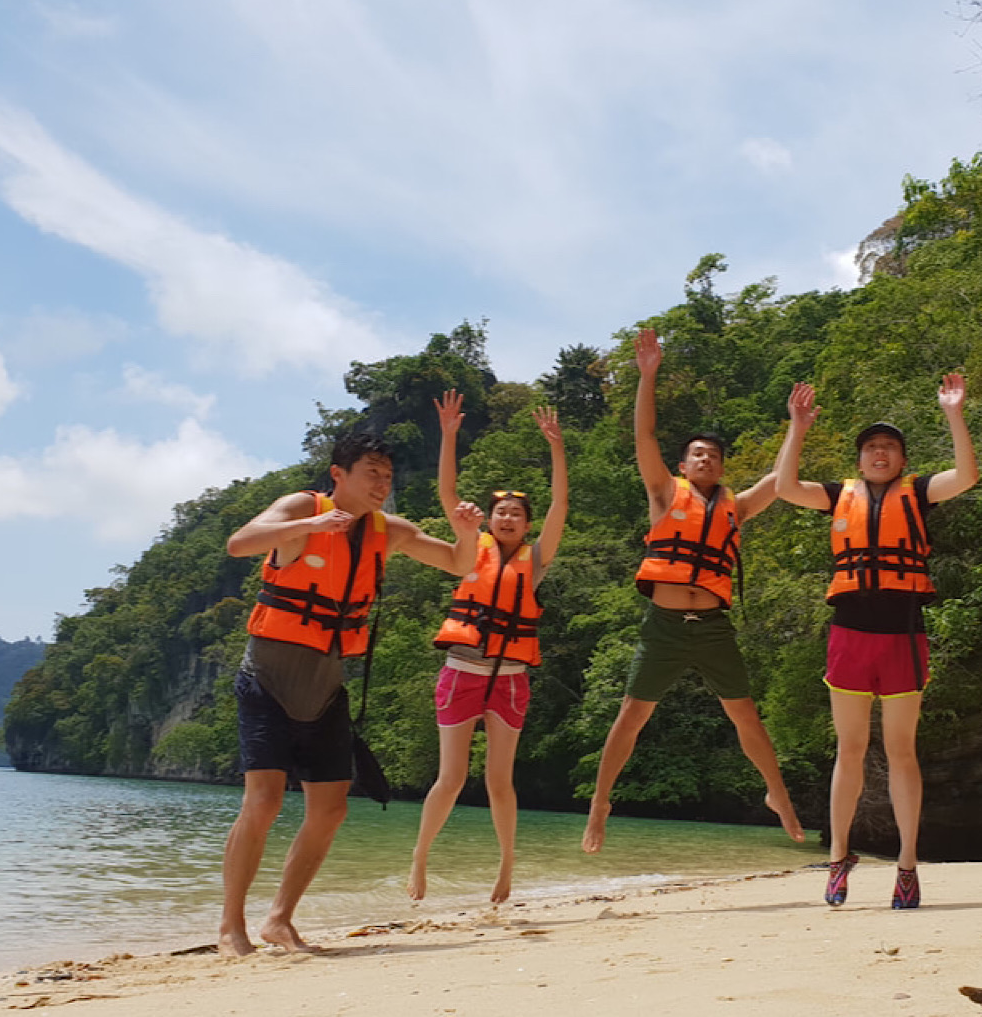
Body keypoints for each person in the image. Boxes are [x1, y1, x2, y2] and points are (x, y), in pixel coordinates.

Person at [219, 430, 483, 956]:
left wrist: (466, 533)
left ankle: (279, 920)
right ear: (338, 474)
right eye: (371, 473)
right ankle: (231, 927)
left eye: (387, 475)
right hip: (268, 678)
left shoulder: (390, 531)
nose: (382, 484)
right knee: (264, 802)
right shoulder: (302, 507)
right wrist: (310, 526)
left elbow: (459, 564)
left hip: (325, 687)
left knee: (331, 809)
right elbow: (239, 543)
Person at [580, 327, 805, 853]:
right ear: (683, 466)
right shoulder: (664, 492)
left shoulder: (736, 507)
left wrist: (797, 427)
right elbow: (644, 436)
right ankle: (600, 803)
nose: (706, 460)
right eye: (697, 455)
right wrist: (648, 376)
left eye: (713, 457)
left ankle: (778, 794)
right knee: (632, 714)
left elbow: (781, 479)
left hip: (711, 627)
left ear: (722, 468)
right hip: (663, 626)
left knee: (744, 713)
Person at [775, 375, 978, 907]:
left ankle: (907, 864)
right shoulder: (838, 495)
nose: (879, 452)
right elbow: (784, 487)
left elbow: (966, 475)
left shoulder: (919, 493)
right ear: (860, 460)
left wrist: (954, 414)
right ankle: (839, 856)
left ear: (902, 460)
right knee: (850, 749)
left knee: (901, 750)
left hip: (903, 634)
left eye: (888, 446)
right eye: (870, 447)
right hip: (850, 632)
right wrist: (797, 428)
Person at [407, 392, 567, 905]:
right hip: (462, 671)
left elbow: (560, 507)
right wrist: (449, 435)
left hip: (511, 680)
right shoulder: (469, 545)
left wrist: (556, 448)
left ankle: (506, 864)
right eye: (501, 512)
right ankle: (420, 857)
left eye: (516, 514)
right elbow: (447, 491)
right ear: (490, 519)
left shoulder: (535, 562)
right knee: (451, 778)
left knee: (500, 781)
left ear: (526, 524)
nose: (507, 518)